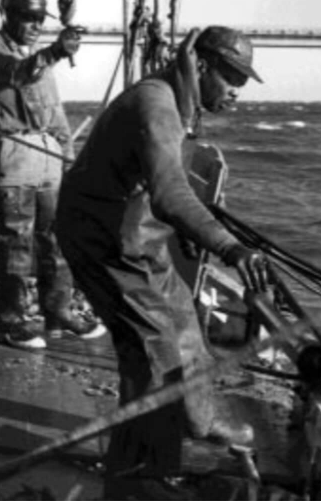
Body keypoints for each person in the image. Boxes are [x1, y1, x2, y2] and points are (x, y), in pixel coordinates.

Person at [55, 26, 269, 500]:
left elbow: (162, 185)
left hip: (138, 236)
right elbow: (171, 193)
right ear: (202, 66)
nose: (237, 90)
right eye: (230, 77)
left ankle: (201, 419)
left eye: (243, 80)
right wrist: (229, 246)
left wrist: (185, 234)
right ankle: (136, 478)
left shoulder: (180, 99)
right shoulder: (157, 106)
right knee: (153, 352)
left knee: (185, 324)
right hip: (103, 241)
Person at [0, 0, 106, 350]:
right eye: (27, 18)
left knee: (56, 239)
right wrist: (54, 52)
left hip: (48, 153)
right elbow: (16, 74)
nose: (34, 26)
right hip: (15, 153)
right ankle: (11, 322)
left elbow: (56, 111)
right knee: (15, 241)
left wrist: (69, 157)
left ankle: (57, 312)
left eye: (39, 20)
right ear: (8, 15)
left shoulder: (38, 57)